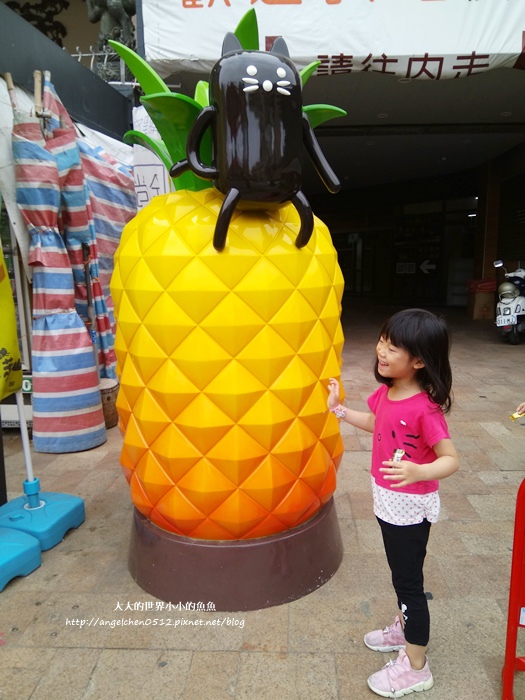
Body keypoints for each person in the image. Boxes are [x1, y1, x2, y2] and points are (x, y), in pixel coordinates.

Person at [327, 308, 459, 698]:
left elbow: (450, 459)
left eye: (394, 347)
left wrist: (420, 472)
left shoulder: (425, 407)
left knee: (409, 584)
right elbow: (375, 422)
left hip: (409, 508)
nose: (382, 351)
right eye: (383, 341)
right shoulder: (387, 392)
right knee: (400, 574)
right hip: (387, 501)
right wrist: (338, 410)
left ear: (418, 361)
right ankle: (404, 628)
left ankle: (416, 665)